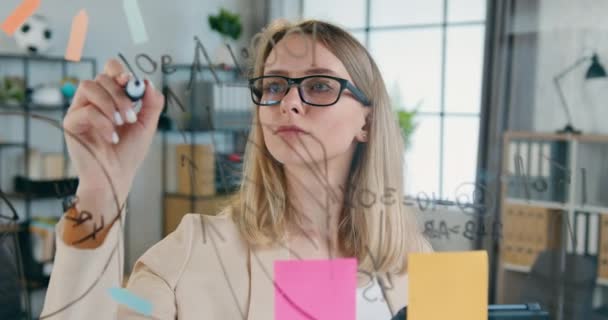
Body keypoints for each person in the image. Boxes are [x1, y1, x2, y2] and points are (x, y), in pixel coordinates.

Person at [41, 19, 432, 319]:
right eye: (275, 86)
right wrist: (99, 193)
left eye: (318, 85)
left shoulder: (412, 259)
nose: (289, 103)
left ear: (367, 121)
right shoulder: (196, 250)